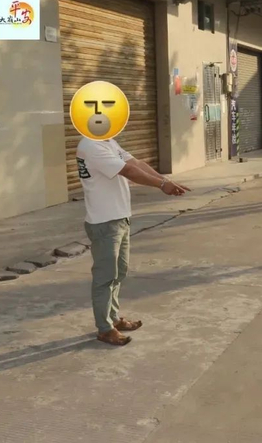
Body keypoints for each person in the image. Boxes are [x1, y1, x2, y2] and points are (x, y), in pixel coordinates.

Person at [76, 138, 191, 346]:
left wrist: (165, 180)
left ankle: (113, 318)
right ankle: (105, 328)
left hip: (120, 218)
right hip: (104, 222)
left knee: (119, 272)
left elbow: (136, 163)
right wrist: (162, 185)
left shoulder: (108, 141)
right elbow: (128, 171)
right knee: (105, 277)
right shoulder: (91, 145)